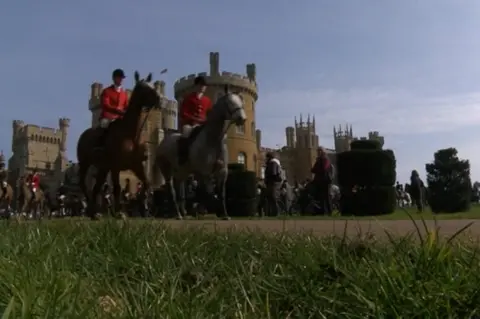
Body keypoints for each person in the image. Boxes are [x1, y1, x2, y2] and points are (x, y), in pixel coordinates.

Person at [178, 76, 212, 164]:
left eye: (204, 85)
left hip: (203, 125)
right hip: (190, 124)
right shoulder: (188, 98)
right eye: (201, 85)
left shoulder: (207, 100)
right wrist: (195, 119)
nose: (203, 87)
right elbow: (184, 113)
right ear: (196, 86)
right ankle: (183, 157)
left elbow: (209, 114)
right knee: (185, 132)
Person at [97, 69, 129, 149]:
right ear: (114, 78)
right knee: (104, 125)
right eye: (119, 78)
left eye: (122, 78)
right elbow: (105, 105)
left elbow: (126, 106)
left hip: (120, 119)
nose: (121, 80)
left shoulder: (124, 94)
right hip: (108, 117)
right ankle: (99, 146)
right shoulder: (107, 91)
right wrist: (116, 110)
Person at [311, 147, 333, 215]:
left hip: (325, 181)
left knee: (326, 197)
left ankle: (329, 212)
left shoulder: (326, 160)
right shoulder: (318, 160)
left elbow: (324, 169)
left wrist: (317, 170)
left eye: (320, 151)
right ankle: (321, 211)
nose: (318, 152)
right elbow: (313, 170)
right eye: (318, 151)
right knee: (320, 197)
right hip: (319, 181)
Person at [264, 152, 283, 216]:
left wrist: (267, 179)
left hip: (273, 183)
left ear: (269, 157)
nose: (265, 159)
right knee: (271, 198)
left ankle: (276, 213)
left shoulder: (273, 163)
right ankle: (272, 213)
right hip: (273, 182)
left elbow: (273, 173)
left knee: (273, 197)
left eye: (266, 157)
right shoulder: (272, 163)